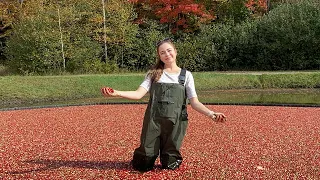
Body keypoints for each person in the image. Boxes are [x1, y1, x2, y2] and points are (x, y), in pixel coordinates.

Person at [101, 38, 226, 172]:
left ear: (175, 52)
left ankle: (169, 159)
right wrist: (116, 93)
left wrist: (211, 114)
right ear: (159, 56)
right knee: (144, 160)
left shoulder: (186, 75)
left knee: (170, 161)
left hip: (176, 121)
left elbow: (194, 102)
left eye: (169, 50)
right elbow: (138, 94)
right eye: (162, 53)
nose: (167, 54)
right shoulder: (153, 74)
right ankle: (145, 159)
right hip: (153, 120)